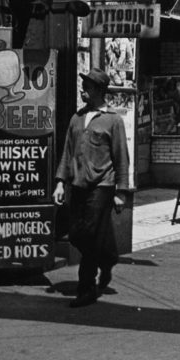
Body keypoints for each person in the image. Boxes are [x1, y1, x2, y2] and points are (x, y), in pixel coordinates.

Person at [53, 69, 130, 308]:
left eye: (86, 86)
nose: (82, 89)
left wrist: (121, 191)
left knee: (89, 234)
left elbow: (121, 157)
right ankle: (107, 259)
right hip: (78, 184)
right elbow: (67, 152)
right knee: (76, 234)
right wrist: (59, 182)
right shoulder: (77, 118)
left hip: (102, 186)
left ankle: (85, 289)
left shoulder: (113, 121)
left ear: (98, 90)